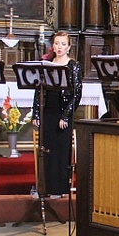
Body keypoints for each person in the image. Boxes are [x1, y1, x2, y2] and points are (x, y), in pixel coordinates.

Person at [32, 32, 82, 198]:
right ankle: (44, 187)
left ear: (68, 47)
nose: (59, 47)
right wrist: (36, 114)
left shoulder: (73, 66)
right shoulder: (46, 64)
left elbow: (76, 94)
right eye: (56, 43)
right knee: (45, 150)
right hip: (48, 111)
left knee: (60, 151)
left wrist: (66, 116)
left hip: (62, 113)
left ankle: (59, 188)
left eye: (62, 44)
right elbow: (38, 91)